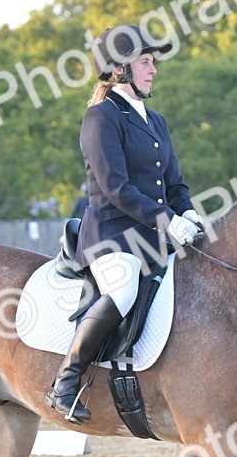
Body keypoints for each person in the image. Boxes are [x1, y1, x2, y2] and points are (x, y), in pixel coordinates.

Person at [45, 25, 202, 422]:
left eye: (153, 62)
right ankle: (66, 381)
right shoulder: (101, 117)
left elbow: (175, 183)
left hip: (154, 235)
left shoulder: (157, 122)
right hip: (112, 236)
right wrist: (167, 219)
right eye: (145, 62)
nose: (153, 70)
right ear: (120, 70)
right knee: (123, 288)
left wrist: (187, 213)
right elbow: (116, 187)